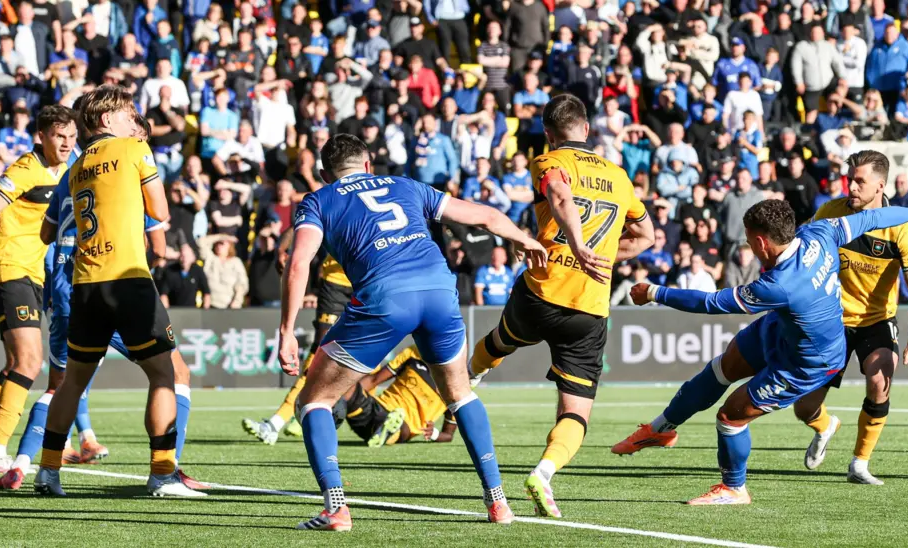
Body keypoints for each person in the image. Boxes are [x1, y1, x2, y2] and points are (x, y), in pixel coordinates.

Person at [279, 133, 546, 530]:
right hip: (439, 290)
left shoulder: (319, 200)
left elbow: (299, 263)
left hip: (384, 298)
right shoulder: (405, 185)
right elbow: (486, 216)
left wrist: (286, 331)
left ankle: (336, 508)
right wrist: (524, 238)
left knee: (314, 401)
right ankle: (498, 501)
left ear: (323, 174)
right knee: (459, 394)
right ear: (368, 164)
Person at [616, 197, 908, 505]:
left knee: (730, 417)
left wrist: (654, 292)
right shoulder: (821, 233)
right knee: (721, 369)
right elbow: (874, 218)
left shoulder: (779, 285)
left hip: (807, 363)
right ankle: (660, 430)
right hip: (782, 330)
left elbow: (710, 303)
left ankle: (734, 489)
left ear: (761, 242)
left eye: (751, 243)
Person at [468, 94, 655, 518]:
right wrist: (600, 255)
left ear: (550, 135)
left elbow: (558, 194)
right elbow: (646, 238)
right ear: (587, 129)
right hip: (588, 308)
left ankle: (469, 375)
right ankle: (544, 472)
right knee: (577, 410)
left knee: (501, 340)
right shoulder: (620, 176)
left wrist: (576, 243)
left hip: (542, 290)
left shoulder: (550, 161)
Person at [32, 86, 202, 498]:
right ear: (107, 120)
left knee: (71, 382)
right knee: (166, 374)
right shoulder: (132, 149)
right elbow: (161, 213)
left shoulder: (75, 167)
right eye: (129, 113)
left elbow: (46, 231)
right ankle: (163, 473)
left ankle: (48, 470)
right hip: (128, 279)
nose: (135, 121)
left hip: (85, 284)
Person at [793, 151, 908, 485]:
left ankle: (859, 463)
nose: (850, 186)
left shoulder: (901, 230)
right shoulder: (830, 212)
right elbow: (803, 252)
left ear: (880, 186)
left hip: (875, 320)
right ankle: (825, 426)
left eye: (859, 181)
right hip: (830, 320)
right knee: (802, 407)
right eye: (849, 179)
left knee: (881, 377)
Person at [0, 106, 77, 474]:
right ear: (41, 136)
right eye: (59, 136)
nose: (66, 143)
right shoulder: (24, 169)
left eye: (71, 136)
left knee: (16, 364)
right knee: (30, 362)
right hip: (11, 267)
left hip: (33, 274)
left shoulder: (66, 167)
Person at [242, 253, 353, 443]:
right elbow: (299, 228)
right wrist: (282, 247)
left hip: (371, 278)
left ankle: (374, 419)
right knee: (319, 354)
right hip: (335, 282)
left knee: (363, 355)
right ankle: (280, 421)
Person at [341, 345, 458, 447]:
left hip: (404, 426)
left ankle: (388, 432)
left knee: (401, 427)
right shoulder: (413, 353)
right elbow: (374, 380)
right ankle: (384, 430)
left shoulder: (457, 385)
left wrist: (434, 433)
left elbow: (448, 435)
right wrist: (350, 392)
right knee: (344, 385)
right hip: (376, 408)